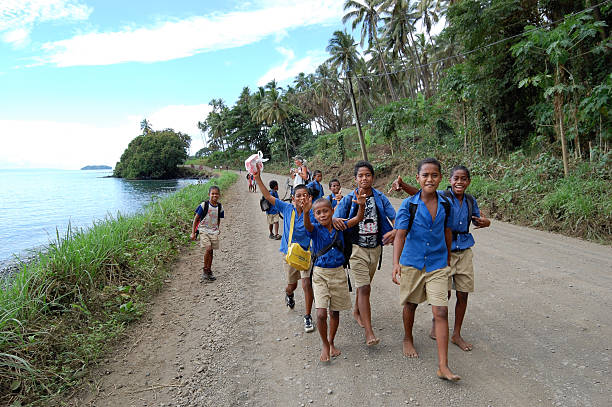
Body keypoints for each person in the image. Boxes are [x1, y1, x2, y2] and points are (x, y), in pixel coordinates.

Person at [390, 166, 491, 352]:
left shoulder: (469, 201)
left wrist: (486, 222)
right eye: (456, 179)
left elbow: (478, 218)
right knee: (442, 295)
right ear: (449, 181)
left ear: (469, 181)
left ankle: (455, 334)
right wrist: (404, 186)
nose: (459, 182)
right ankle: (429, 327)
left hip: (462, 248)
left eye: (464, 179)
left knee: (462, 293)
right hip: (443, 251)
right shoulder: (444, 197)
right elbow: (422, 194)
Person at [391, 157, 460, 382]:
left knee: (440, 311)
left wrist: (448, 262)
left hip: (438, 264)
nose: (430, 179)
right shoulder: (408, 205)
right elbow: (399, 236)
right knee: (410, 304)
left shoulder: (446, 204)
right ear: (418, 178)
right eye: (425, 175)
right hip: (412, 263)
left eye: (434, 175)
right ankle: (407, 337)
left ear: (440, 178)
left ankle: (443, 365)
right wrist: (396, 264)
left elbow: (448, 233)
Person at [332, 161, 396, 346]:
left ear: (373, 178)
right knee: (365, 288)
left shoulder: (380, 198)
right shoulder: (349, 198)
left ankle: (356, 311)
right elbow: (335, 216)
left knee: (364, 286)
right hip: (356, 249)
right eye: (360, 176)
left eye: (367, 175)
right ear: (355, 179)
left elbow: (394, 216)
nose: (364, 178)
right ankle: (369, 332)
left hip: (375, 249)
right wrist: (336, 220)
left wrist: (396, 229)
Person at [303, 194, 366, 362]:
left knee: (335, 312)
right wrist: (305, 211)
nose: (322, 215)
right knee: (321, 314)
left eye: (325, 211)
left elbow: (358, 219)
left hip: (338, 272)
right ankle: (324, 344)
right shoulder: (315, 229)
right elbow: (307, 225)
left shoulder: (340, 226)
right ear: (315, 215)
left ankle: (331, 341)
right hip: (320, 274)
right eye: (318, 213)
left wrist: (361, 205)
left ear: (332, 211)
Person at [253, 167, 316, 333]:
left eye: (305, 195)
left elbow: (315, 227)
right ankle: (288, 294)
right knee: (292, 285)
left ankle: (308, 316)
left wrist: (309, 212)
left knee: (307, 283)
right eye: (298, 196)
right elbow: (267, 196)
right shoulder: (287, 209)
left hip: (306, 254)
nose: (302, 198)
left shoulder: (314, 213)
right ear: (293, 199)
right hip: (289, 254)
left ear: (310, 198)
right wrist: (257, 178)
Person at [190, 185, 224, 282]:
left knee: (211, 251)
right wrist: (193, 233)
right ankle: (205, 271)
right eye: (212, 194)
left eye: (216, 194)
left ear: (219, 195)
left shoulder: (220, 207)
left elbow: (218, 219)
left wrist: (218, 228)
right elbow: (196, 219)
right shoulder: (204, 205)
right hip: (203, 230)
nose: (214, 195)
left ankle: (209, 270)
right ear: (209, 194)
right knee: (208, 248)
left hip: (213, 231)